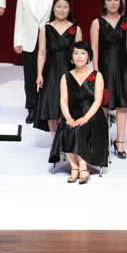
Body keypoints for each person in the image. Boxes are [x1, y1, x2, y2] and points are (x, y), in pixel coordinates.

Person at [48, 42, 108, 185]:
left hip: (92, 114)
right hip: (73, 112)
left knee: (79, 129)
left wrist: (86, 118)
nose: (79, 56)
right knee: (65, 129)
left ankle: (83, 167)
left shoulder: (97, 75)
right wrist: (68, 117)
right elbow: (63, 100)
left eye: (83, 53)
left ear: (88, 57)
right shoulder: (66, 76)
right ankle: (74, 166)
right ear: (71, 57)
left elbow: (98, 101)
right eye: (76, 53)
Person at [90, 0, 127, 159]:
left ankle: (120, 141)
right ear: (104, 3)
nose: (113, 3)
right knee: (104, 106)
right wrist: (96, 70)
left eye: (116, 0)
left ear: (120, 2)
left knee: (122, 105)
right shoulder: (97, 23)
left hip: (123, 67)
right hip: (105, 67)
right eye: (109, 0)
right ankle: (104, 140)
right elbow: (94, 48)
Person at [13, 0, 63, 124]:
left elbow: (60, 16)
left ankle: (47, 107)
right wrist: (17, 41)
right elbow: (19, 17)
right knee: (30, 76)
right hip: (29, 40)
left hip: (51, 41)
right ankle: (32, 108)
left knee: (49, 75)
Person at [33, 0, 81, 138]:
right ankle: (55, 142)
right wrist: (39, 74)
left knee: (70, 106)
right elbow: (42, 53)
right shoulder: (45, 29)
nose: (61, 10)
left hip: (69, 70)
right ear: (53, 8)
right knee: (51, 106)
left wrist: (80, 74)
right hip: (51, 71)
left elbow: (79, 54)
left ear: (69, 9)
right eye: (58, 6)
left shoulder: (75, 29)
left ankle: (68, 140)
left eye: (65, 7)